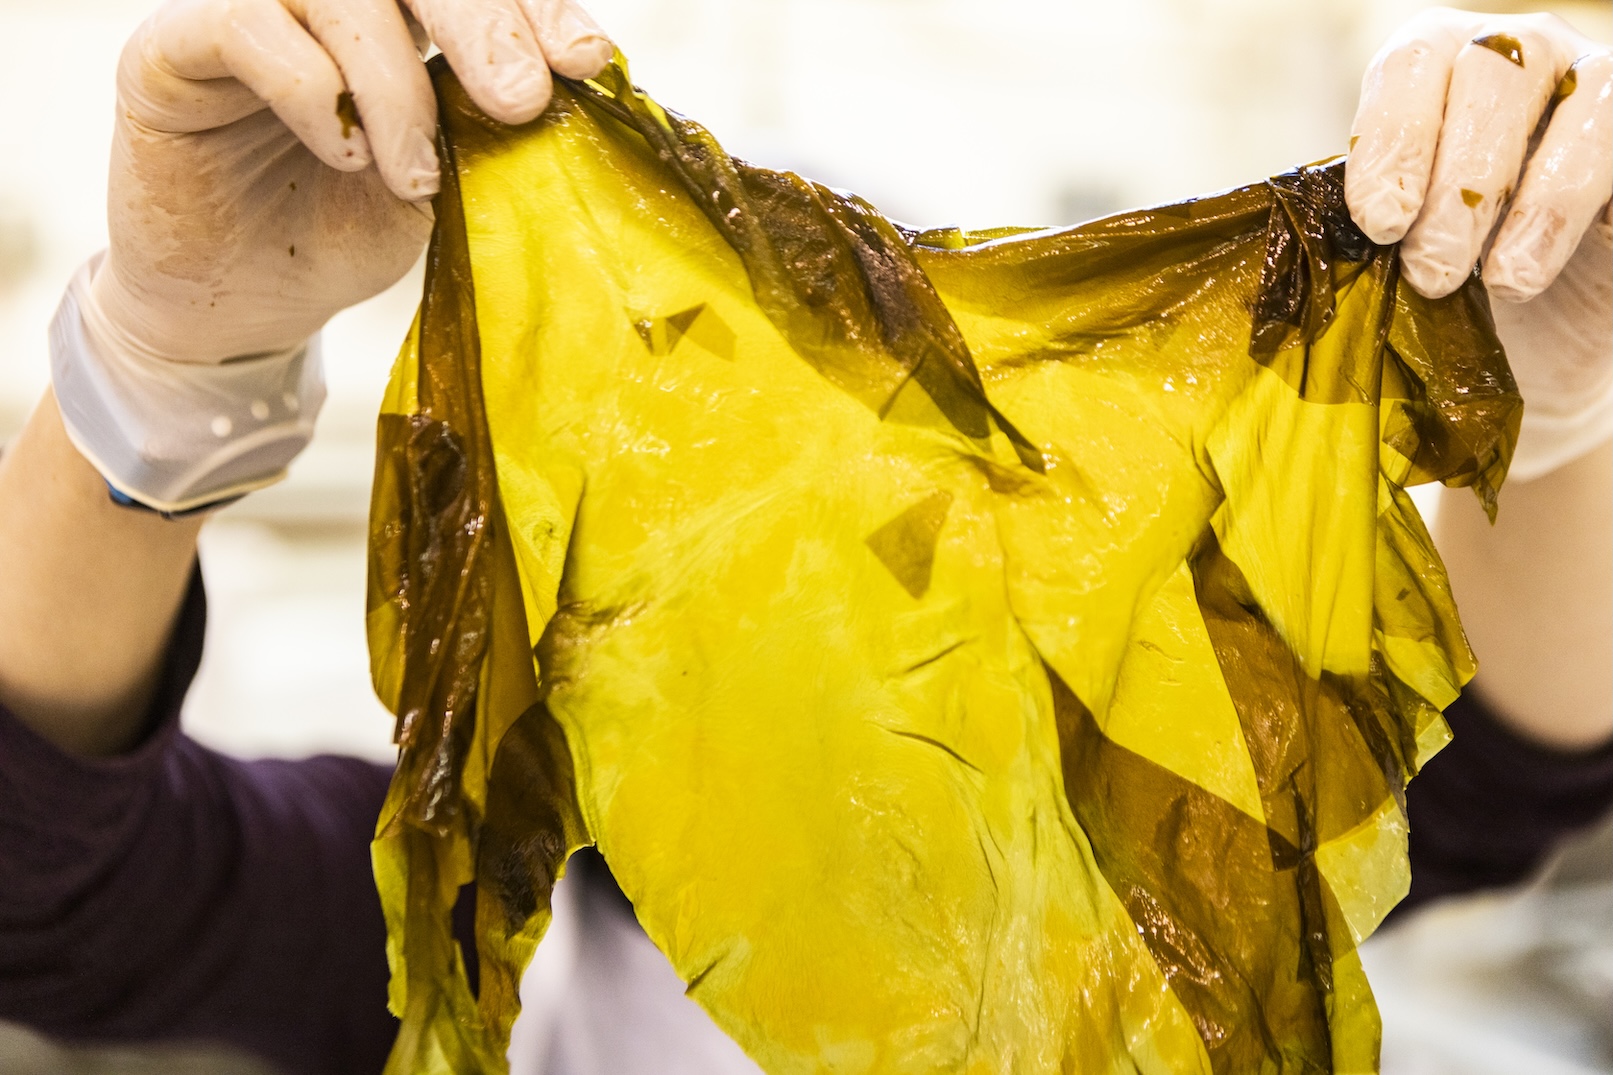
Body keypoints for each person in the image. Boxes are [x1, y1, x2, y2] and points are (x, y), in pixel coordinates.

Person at [0, 2, 1608, 1073]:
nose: (853, 593)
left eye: (925, 507)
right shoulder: (503, 928)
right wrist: (166, 360)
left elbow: (1497, 765)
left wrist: (1553, 406)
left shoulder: (1187, 870)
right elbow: (54, 897)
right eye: (716, 529)